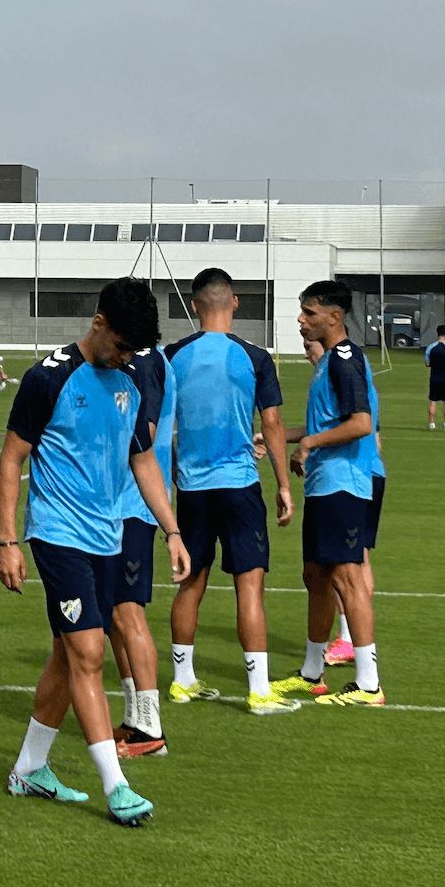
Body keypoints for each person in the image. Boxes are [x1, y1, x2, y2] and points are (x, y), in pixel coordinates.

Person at [0, 277, 187, 827]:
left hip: (108, 537)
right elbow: (11, 461)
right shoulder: (47, 378)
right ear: (98, 322)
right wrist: (9, 541)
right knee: (88, 656)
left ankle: (30, 767)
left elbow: (142, 459)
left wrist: (171, 531)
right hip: (58, 536)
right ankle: (117, 786)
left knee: (65, 654)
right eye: (123, 345)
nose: (128, 357)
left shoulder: (127, 377)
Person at [161, 269, 301, 715]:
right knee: (250, 588)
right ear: (234, 302)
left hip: (192, 490)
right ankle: (258, 690)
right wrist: (282, 483)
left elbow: (160, 429)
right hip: (240, 485)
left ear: (194, 304)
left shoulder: (172, 356)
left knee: (190, 585)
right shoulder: (255, 356)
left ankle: (182, 681)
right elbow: (273, 423)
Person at [290, 281, 384, 707]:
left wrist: (308, 444)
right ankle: (312, 673)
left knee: (347, 579)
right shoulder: (329, 362)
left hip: (344, 482)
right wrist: (281, 437)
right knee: (317, 577)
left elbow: (361, 424)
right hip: (325, 484)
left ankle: (368, 684)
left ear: (334, 316)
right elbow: (327, 422)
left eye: (309, 312)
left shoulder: (345, 359)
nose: (301, 320)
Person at [108, 336, 176, 755]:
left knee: (128, 613)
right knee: (114, 616)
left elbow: (142, 434)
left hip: (133, 504)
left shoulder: (145, 362)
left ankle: (150, 730)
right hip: (122, 504)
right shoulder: (151, 359)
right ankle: (135, 719)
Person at [423, 324, 445, 432]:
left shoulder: (430, 348)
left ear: (437, 333)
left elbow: (427, 363)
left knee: (433, 400)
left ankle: (432, 424)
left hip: (434, 378)